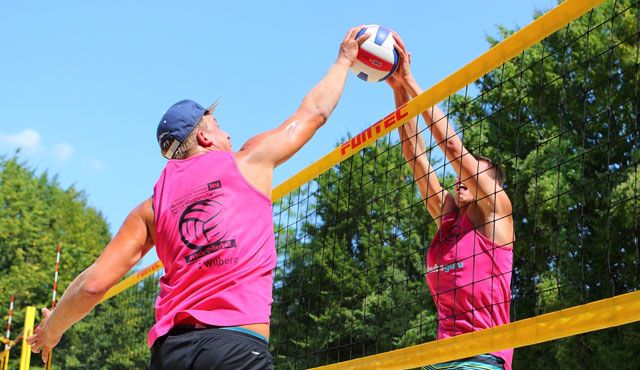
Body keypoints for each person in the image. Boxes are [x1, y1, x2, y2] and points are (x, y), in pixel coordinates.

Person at [27, 26, 369, 370]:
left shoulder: (150, 207)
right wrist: (343, 61)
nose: (228, 133)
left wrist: (53, 327)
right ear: (204, 136)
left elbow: (93, 283)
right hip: (235, 347)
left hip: (170, 354)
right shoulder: (248, 160)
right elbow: (314, 113)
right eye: (218, 125)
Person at [387, 33, 515, 370]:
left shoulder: (495, 212)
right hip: (441, 357)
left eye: (473, 177)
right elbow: (414, 156)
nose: (462, 179)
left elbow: (455, 151)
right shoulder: (447, 218)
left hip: (482, 356)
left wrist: (412, 80)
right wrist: (398, 89)